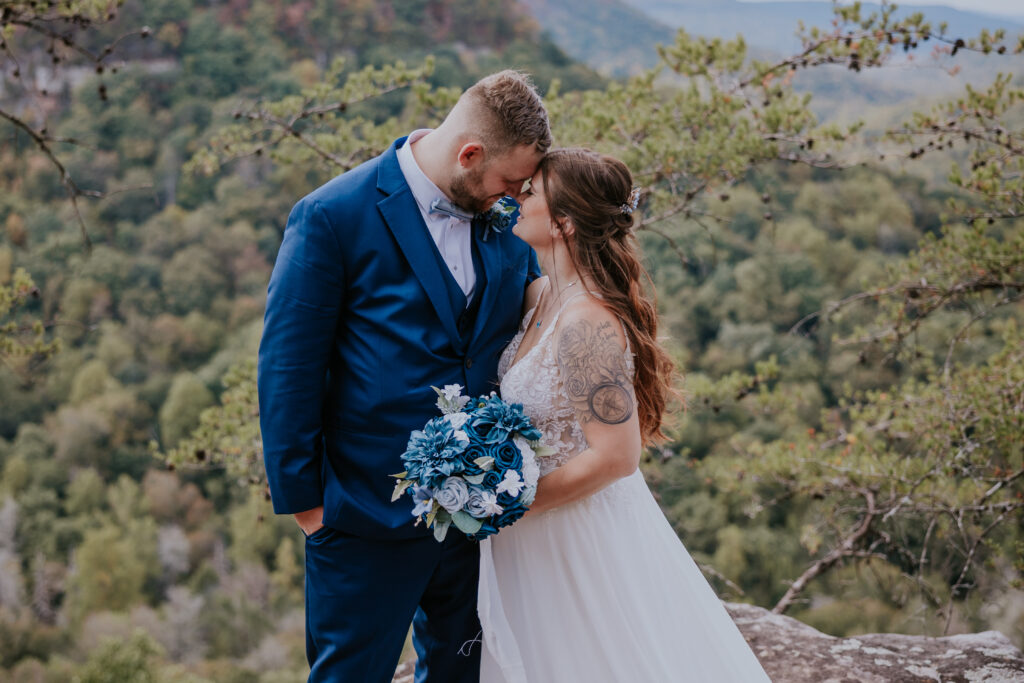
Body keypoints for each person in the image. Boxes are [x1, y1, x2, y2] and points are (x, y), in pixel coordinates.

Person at [258, 70, 551, 682]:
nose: (514, 199)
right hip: (362, 512)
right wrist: (311, 507)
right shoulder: (331, 215)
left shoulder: (505, 223)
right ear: (470, 155)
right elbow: (289, 365)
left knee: (460, 672)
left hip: (476, 519)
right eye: (509, 183)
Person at [478, 148, 771, 682]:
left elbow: (617, 456)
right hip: (528, 535)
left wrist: (508, 504)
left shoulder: (586, 320)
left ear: (563, 222)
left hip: (574, 532)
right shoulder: (541, 296)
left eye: (530, 194)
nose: (514, 199)